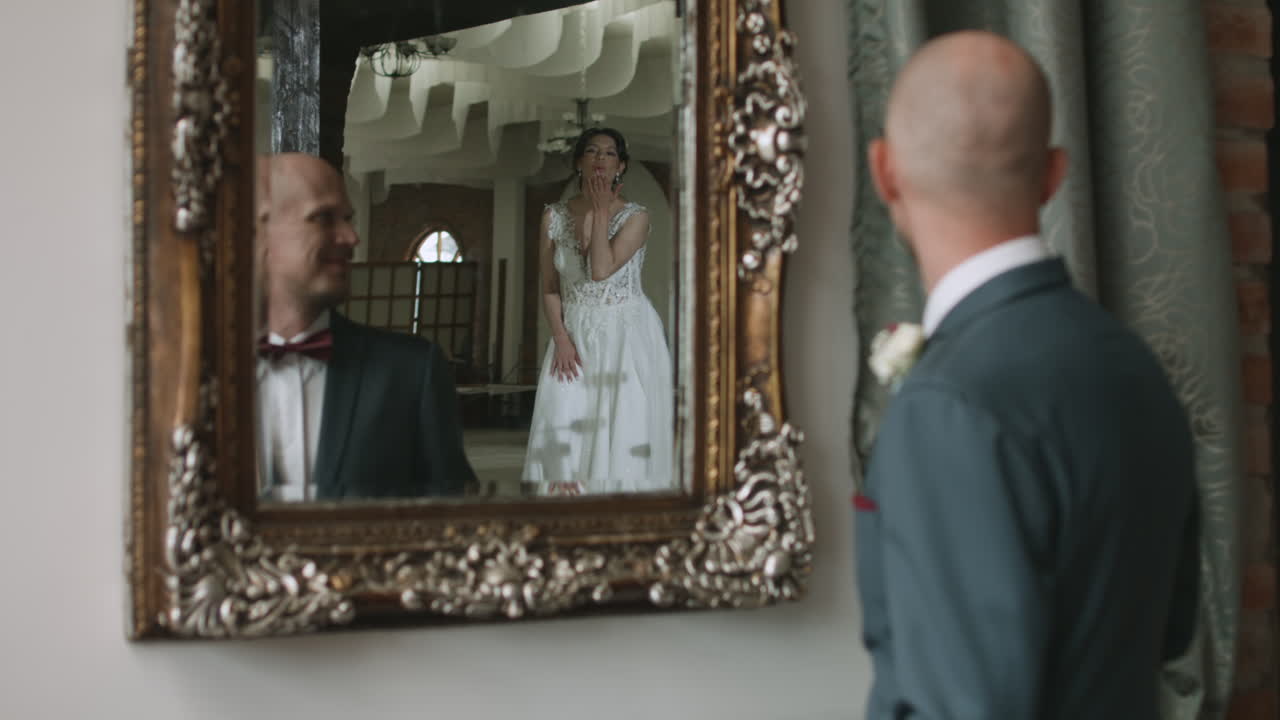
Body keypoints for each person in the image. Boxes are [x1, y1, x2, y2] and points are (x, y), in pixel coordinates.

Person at [856, 32, 1199, 719]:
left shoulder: (950, 406)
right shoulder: (1136, 366)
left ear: (885, 172)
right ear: (1053, 173)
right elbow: (1173, 627)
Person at [255, 152, 475, 501]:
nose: (350, 237)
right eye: (323, 218)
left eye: (347, 219)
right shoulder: (187, 375)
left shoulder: (411, 371)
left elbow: (454, 520)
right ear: (260, 231)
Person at [521, 128, 674, 495]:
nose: (600, 159)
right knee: (563, 424)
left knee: (620, 428)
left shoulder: (637, 217)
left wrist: (602, 210)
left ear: (621, 166)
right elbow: (548, 286)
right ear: (579, 162)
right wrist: (560, 338)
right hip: (571, 331)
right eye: (592, 151)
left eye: (609, 153)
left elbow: (600, 270)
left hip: (625, 334)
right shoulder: (553, 216)